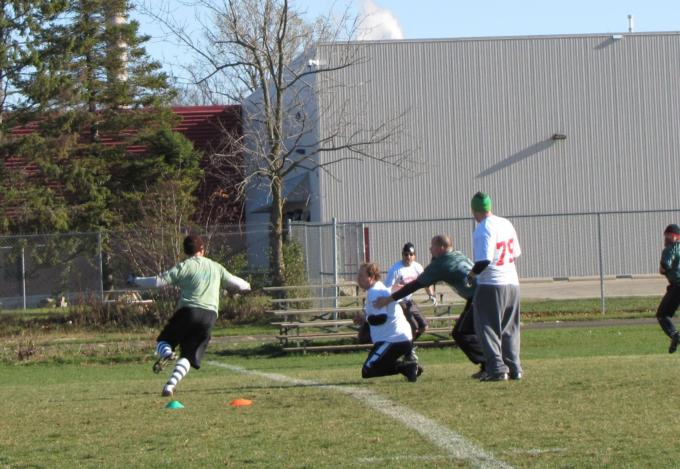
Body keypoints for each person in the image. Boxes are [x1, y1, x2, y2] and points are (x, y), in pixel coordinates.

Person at [127, 234, 251, 397]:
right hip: (209, 316)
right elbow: (237, 283)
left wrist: (135, 280)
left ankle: (167, 353)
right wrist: (247, 285)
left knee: (163, 342)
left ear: (185, 251)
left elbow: (158, 281)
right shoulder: (216, 267)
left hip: (189, 311)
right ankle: (170, 386)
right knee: (189, 355)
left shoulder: (185, 266)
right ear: (202, 249)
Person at [373, 235, 486, 377]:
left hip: (480, 296)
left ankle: (489, 365)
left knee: (462, 333)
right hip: (482, 292)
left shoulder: (442, 264)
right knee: (474, 332)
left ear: (441, 248)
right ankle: (491, 365)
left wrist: (388, 299)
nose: (430, 249)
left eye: (432, 246)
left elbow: (414, 285)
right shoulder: (457, 254)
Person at [469, 192, 522, 382]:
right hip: (512, 282)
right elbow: (515, 254)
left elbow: (484, 260)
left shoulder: (484, 228)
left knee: (487, 327)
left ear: (474, 210)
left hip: (491, 283)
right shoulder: (506, 223)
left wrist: (471, 275)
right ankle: (514, 368)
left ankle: (497, 369)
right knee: (510, 328)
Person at [355, 262, 420, 382]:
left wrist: (365, 318)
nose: (358, 279)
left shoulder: (375, 291)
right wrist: (365, 317)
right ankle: (409, 368)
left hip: (393, 340)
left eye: (361, 276)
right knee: (375, 366)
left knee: (368, 370)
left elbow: (381, 318)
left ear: (371, 277)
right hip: (397, 338)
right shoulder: (378, 288)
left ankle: (408, 367)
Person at [384, 242, 437, 341]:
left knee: (424, 326)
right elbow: (387, 288)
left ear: (414, 256)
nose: (408, 257)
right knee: (414, 327)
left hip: (408, 300)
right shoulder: (395, 269)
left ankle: (409, 345)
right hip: (398, 301)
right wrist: (398, 287)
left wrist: (431, 295)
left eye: (411, 254)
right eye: (406, 254)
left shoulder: (417, 267)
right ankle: (407, 347)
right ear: (402, 255)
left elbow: (426, 282)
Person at [657, 224, 680, 353]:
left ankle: (675, 335)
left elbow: (664, 267)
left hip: (677, 285)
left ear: (675, 236)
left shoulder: (670, 249)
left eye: (668, 236)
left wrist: (664, 269)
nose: (666, 238)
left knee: (662, 314)